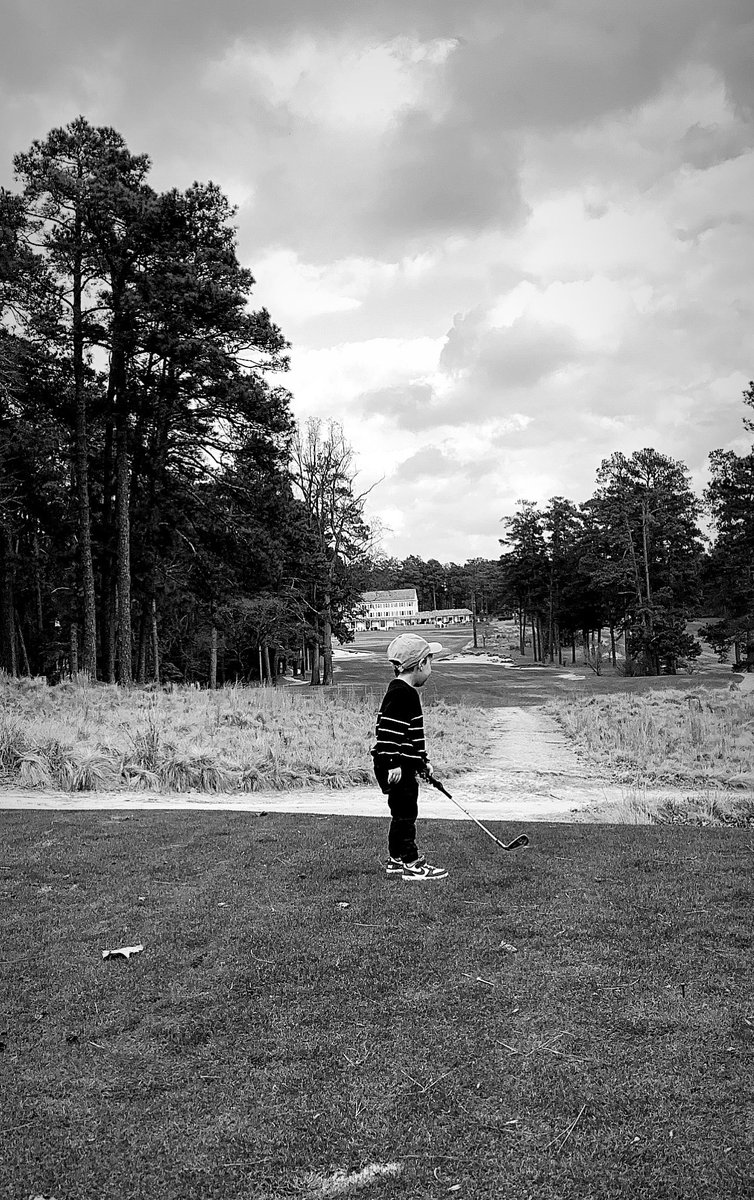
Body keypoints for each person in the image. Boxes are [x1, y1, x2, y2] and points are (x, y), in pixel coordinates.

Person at [371, 632, 448, 881]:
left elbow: (411, 737)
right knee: (406, 814)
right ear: (421, 664)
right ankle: (412, 863)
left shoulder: (403, 692)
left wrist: (422, 762)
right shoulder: (402, 693)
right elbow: (387, 732)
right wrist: (393, 763)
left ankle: (395, 860)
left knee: (400, 812)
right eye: (430, 661)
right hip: (395, 765)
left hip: (402, 763)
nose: (431, 668)